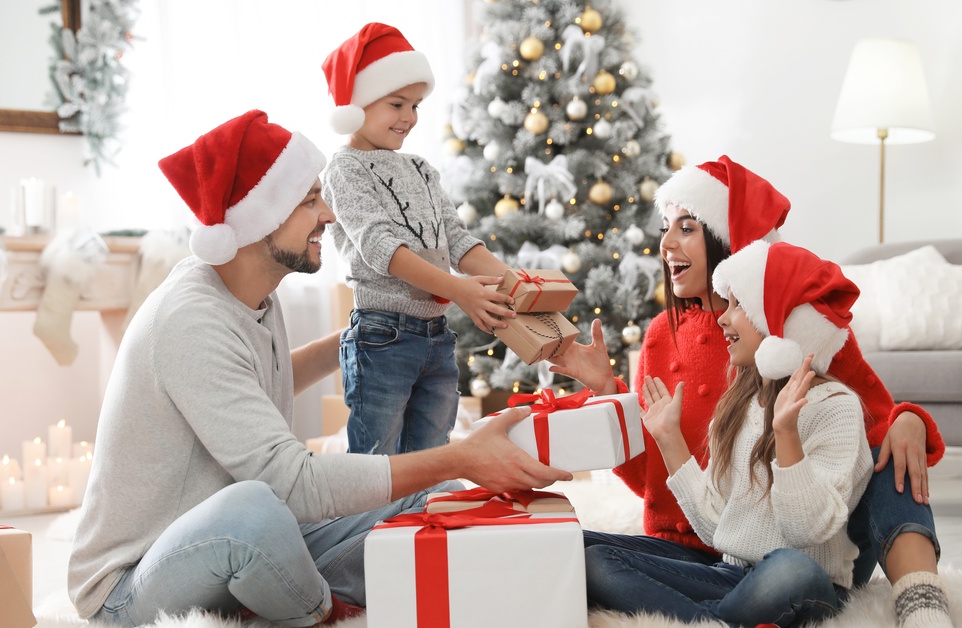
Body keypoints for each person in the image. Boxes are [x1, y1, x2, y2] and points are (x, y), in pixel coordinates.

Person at [66, 110, 571, 627]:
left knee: (434, 499)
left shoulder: (252, 290)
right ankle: (324, 612)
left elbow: (266, 377)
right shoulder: (190, 320)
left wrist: (371, 331)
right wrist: (460, 456)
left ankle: (320, 589)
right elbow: (291, 485)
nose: (328, 215)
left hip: (238, 541)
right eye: (309, 200)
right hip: (133, 583)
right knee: (256, 510)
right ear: (257, 217)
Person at [551, 156, 952, 627]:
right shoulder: (665, 335)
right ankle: (721, 620)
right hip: (712, 549)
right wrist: (606, 390)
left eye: (686, 228)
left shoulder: (802, 333)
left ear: (726, 240)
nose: (665, 243)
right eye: (666, 228)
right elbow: (653, 481)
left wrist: (906, 420)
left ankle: (921, 600)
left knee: (892, 451)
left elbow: (873, 418)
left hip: (801, 553)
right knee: (575, 548)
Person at [587, 240, 874, 625]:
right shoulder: (742, 400)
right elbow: (717, 529)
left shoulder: (835, 406)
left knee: (791, 567)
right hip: (732, 577)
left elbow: (807, 529)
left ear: (778, 321)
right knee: (590, 554)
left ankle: (706, 618)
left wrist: (786, 434)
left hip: (803, 583)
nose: (723, 317)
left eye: (738, 306)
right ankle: (717, 621)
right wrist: (669, 439)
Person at [320, 22, 516, 455]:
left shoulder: (422, 169)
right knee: (377, 464)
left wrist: (518, 283)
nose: (409, 117)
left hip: (436, 336)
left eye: (415, 105)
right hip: (382, 338)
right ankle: (371, 524)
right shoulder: (345, 170)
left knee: (432, 455)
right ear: (357, 104)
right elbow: (380, 249)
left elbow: (459, 242)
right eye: (397, 103)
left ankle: (420, 520)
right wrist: (459, 291)